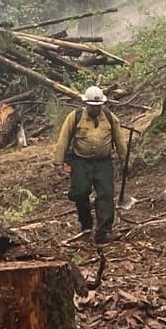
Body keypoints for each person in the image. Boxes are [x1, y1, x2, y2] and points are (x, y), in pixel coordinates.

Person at [52, 85, 128, 243]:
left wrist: (125, 160)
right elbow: (64, 139)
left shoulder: (109, 117)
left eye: (98, 106)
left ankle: (104, 232)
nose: (95, 109)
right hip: (80, 162)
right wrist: (59, 162)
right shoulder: (75, 117)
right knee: (80, 192)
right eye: (92, 106)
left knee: (106, 194)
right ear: (86, 104)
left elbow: (119, 140)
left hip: (103, 162)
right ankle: (86, 224)